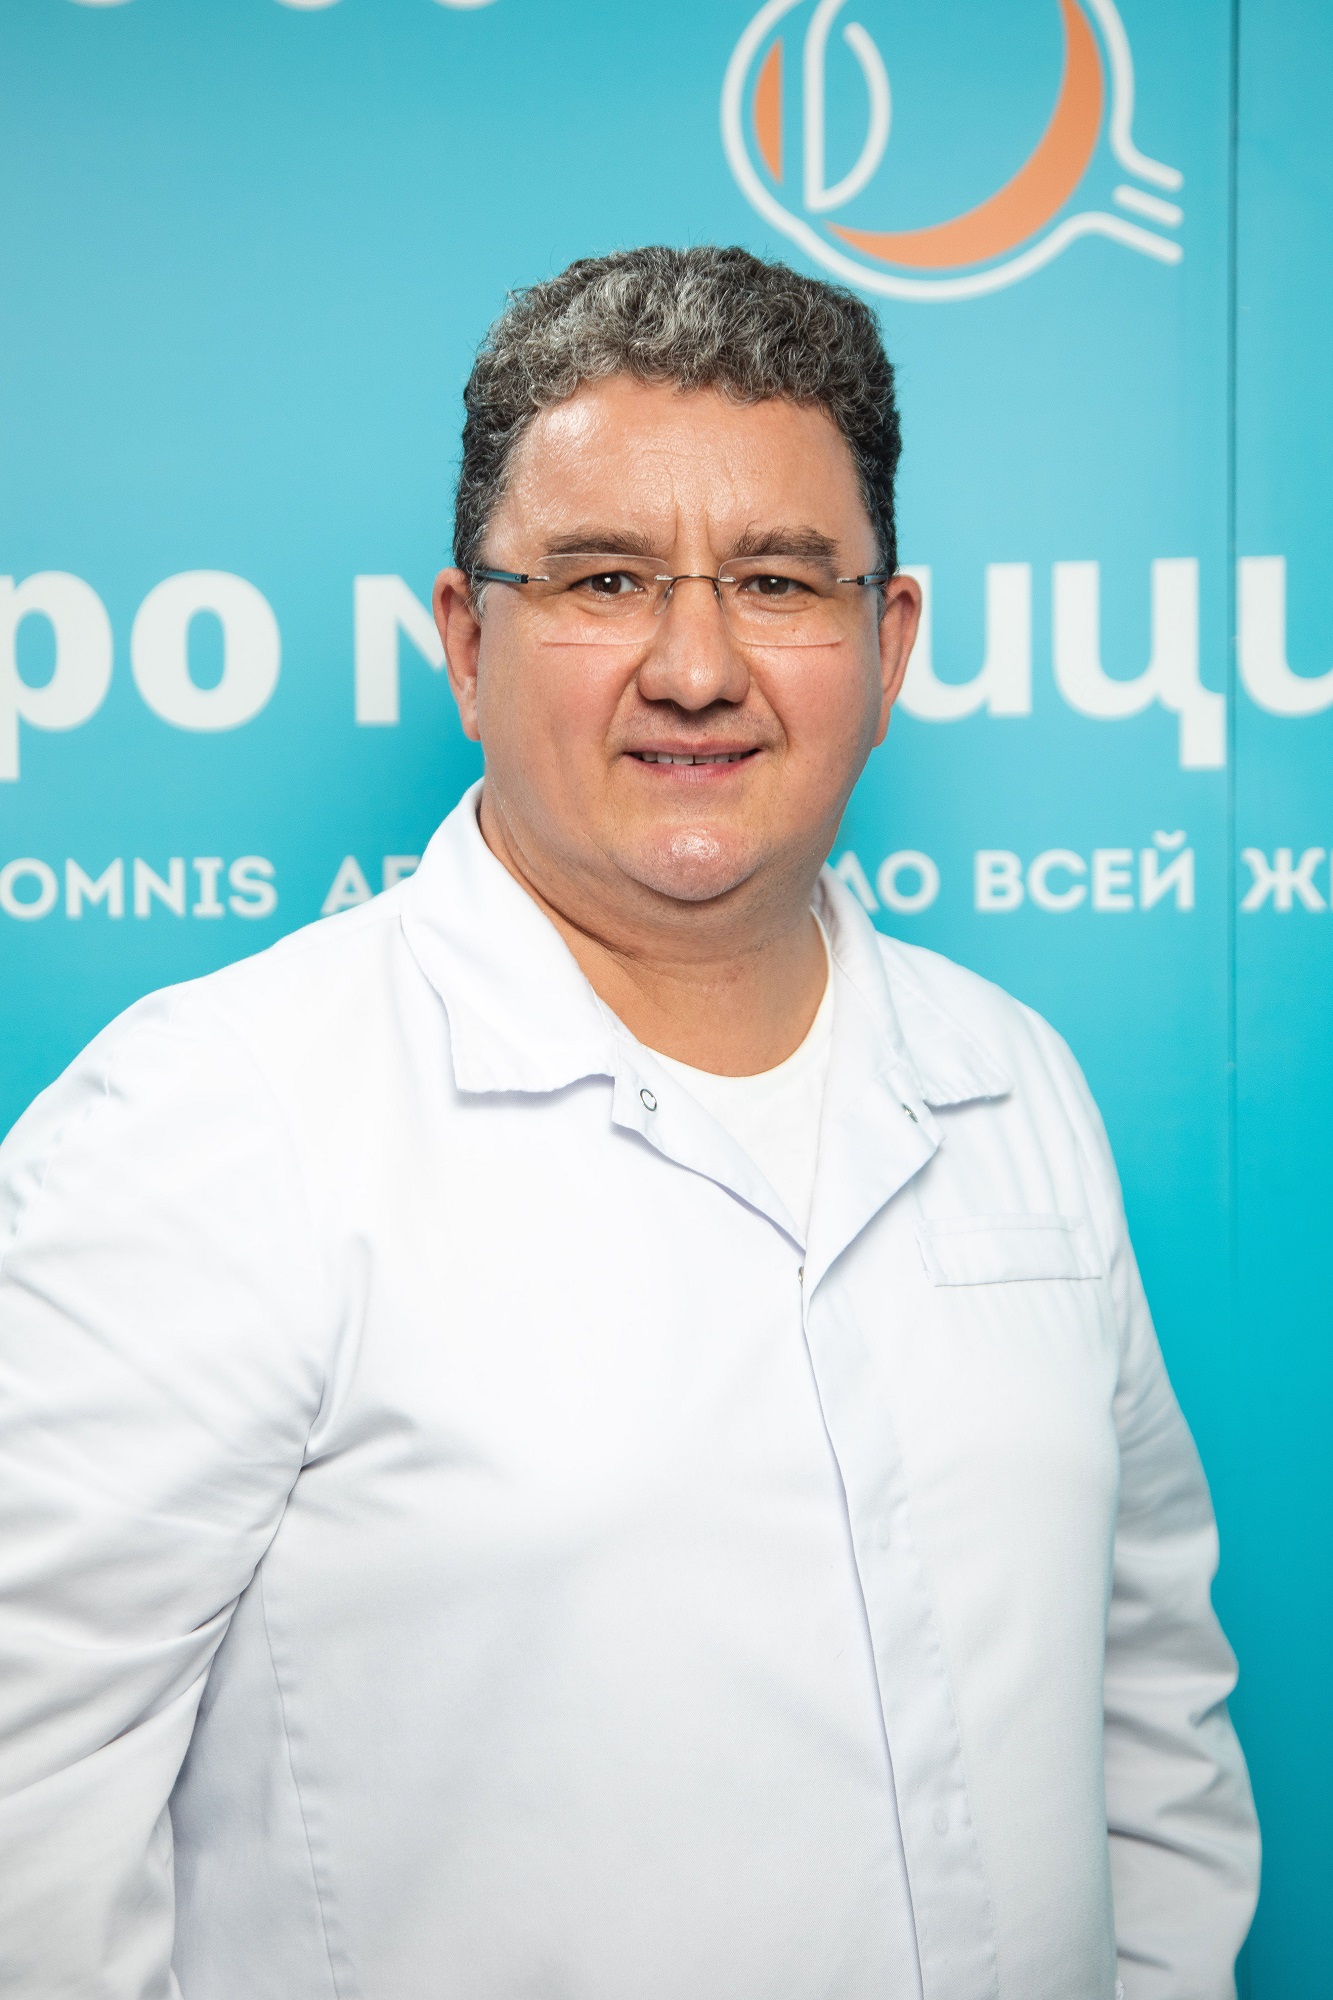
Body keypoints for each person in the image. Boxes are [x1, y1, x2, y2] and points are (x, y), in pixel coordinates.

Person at [0, 246, 1257, 2000]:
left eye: (778, 581)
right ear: (467, 642)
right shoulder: (214, 1122)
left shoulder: (1013, 1083)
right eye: (603, 580)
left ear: (887, 644)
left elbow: (1150, 1720)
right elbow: (29, 1845)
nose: (694, 667)